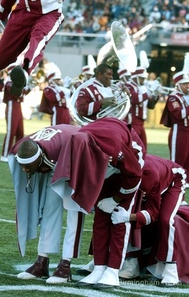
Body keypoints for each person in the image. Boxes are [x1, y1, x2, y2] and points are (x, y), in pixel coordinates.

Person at [51, 117, 145, 289]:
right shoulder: (79, 140)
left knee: (119, 218)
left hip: (130, 167)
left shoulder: (115, 149)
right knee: (100, 219)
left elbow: (134, 175)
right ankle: (99, 267)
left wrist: (116, 199)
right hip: (107, 166)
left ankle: (113, 271)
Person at [7, 124, 84, 284]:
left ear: (40, 158)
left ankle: (65, 265)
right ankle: (42, 261)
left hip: (78, 158)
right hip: (59, 156)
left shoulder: (63, 150)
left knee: (74, 210)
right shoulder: (22, 147)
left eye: (29, 167)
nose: (25, 171)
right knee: (49, 208)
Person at [111, 154, 186, 286]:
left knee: (165, 220)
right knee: (114, 212)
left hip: (175, 179)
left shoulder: (150, 176)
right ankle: (126, 261)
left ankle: (171, 268)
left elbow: (153, 213)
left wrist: (129, 217)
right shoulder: (118, 171)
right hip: (150, 176)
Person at [160, 70, 189, 185]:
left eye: (188, 83)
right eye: (185, 84)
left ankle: (185, 182)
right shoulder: (173, 97)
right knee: (178, 159)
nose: (188, 86)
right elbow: (178, 115)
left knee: (187, 159)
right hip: (179, 131)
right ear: (178, 85)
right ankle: (172, 182)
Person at [0, 62, 32, 162]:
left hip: (18, 106)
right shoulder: (9, 83)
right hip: (11, 106)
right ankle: (5, 154)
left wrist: (31, 85)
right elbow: (17, 94)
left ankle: (16, 153)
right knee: (11, 131)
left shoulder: (16, 83)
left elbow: (24, 92)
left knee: (20, 132)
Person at [124, 66, 158, 151]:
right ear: (136, 77)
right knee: (134, 147)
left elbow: (151, 106)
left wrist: (156, 95)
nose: (144, 80)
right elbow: (134, 99)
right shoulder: (128, 85)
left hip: (141, 122)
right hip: (132, 120)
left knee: (143, 147)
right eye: (142, 78)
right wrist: (149, 92)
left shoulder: (142, 87)